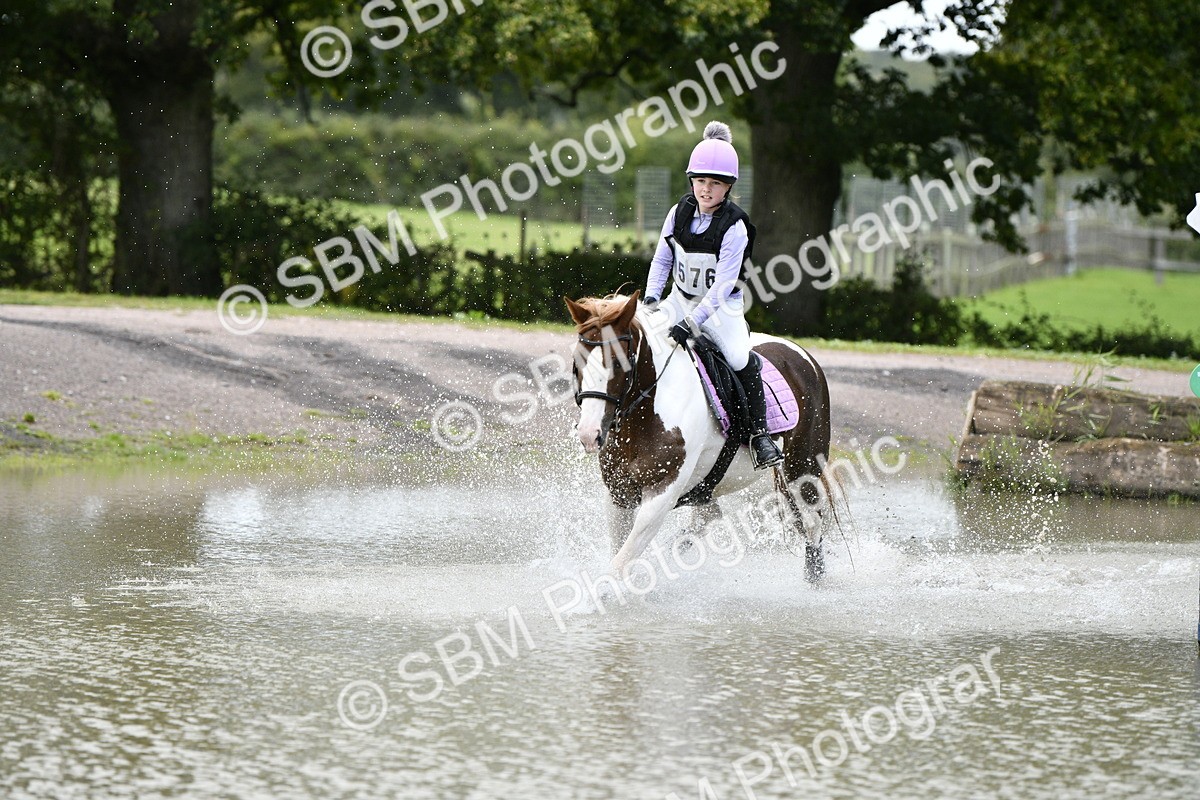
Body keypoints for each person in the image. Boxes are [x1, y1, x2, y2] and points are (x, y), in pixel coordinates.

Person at [643, 120, 784, 469]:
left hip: (721, 310)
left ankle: (759, 434)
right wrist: (650, 300)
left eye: (715, 183)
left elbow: (722, 286)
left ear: (728, 186)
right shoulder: (678, 212)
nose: (706, 190)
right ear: (691, 180)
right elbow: (662, 259)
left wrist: (692, 323)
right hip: (678, 300)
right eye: (701, 181)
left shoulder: (735, 225)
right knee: (637, 342)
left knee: (739, 358)